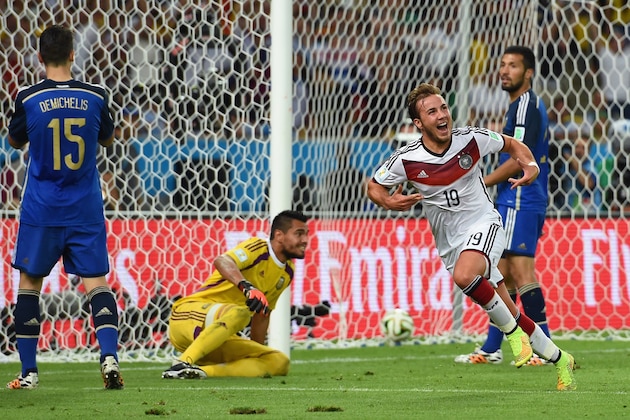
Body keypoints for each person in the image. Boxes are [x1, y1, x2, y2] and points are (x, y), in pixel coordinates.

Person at [367, 83, 576, 391]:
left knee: (466, 275)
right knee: (511, 310)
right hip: (451, 243)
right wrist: (387, 201)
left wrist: (530, 166)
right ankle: (561, 360)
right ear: (418, 123)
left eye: (443, 108)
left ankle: (512, 336)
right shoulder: (406, 159)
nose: (442, 116)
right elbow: (374, 185)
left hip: (485, 223)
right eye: (432, 112)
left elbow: (513, 145)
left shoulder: (472, 139)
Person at [6, 25, 123, 390]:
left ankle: (28, 372)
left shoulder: (27, 97)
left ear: (39, 57)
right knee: (96, 284)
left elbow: (13, 139)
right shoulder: (97, 95)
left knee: (29, 284)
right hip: (84, 208)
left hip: (41, 208)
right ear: (74, 54)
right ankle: (109, 358)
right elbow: (107, 138)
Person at [455, 46, 553, 366]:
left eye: (513, 65)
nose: (504, 70)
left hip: (520, 196)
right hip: (521, 197)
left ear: (528, 74)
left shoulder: (525, 106)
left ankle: (544, 346)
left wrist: (483, 182)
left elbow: (520, 157)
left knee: (519, 271)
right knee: (504, 274)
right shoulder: (520, 106)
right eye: (502, 64)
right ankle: (492, 348)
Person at [161, 210, 309, 379]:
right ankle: (182, 362)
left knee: (278, 361)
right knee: (240, 312)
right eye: (299, 234)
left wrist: (256, 352)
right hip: (188, 318)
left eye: (306, 234)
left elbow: (262, 314)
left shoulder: (287, 272)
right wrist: (247, 287)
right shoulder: (258, 248)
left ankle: (197, 372)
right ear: (279, 235)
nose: (305, 240)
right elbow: (222, 261)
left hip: (217, 336)